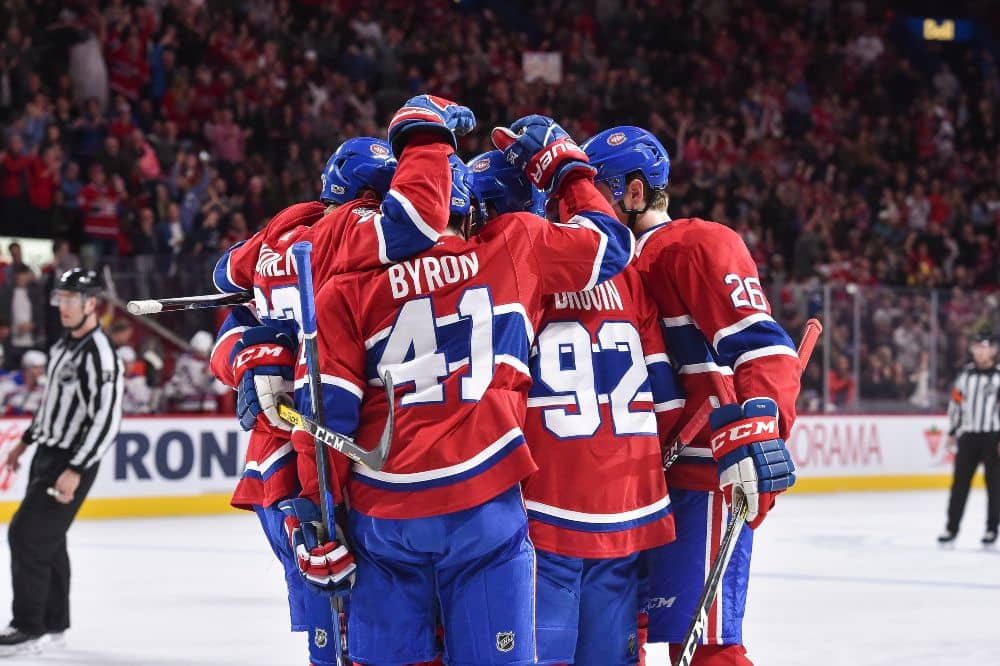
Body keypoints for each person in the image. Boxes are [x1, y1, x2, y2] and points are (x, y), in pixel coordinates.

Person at [299, 113, 632, 664]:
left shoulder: (347, 282)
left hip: (384, 513)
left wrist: (316, 517)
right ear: (470, 208)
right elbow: (609, 245)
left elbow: (325, 415)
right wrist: (567, 169)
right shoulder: (513, 246)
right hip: (484, 506)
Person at [209, 96, 476, 666]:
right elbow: (410, 224)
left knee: (327, 628)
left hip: (274, 461)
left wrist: (250, 354)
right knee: (367, 626)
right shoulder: (352, 230)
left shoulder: (282, 231)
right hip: (327, 451)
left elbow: (225, 280)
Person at [584, 126, 799, 665]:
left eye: (598, 193)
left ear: (635, 192)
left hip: (700, 476)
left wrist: (757, 432)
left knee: (708, 647)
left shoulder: (696, 243)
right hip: (629, 480)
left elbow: (763, 346)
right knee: (617, 640)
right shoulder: (597, 264)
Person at [468, 148, 684, 665]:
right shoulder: (627, 276)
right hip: (631, 506)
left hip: (549, 507)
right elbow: (667, 397)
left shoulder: (509, 272)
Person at [0, 268, 123, 655]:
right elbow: (52, 403)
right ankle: (53, 624)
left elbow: (107, 421)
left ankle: (28, 626)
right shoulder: (63, 345)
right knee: (47, 540)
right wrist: (26, 442)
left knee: (26, 535)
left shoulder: (100, 355)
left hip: (72, 459)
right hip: (47, 453)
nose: (63, 306)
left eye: (71, 299)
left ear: (91, 304)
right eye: (60, 298)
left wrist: (76, 469)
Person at [939, 333, 1000, 546]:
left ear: (992, 350)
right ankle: (951, 528)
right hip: (968, 435)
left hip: (993, 436)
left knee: (994, 485)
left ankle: (992, 529)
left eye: (984, 347)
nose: (980, 351)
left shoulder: (999, 377)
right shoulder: (965, 376)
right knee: (959, 485)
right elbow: (956, 403)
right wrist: (953, 431)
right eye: (976, 347)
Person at [0, 350, 47, 415]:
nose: (40, 371)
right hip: (7, 421)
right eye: (36, 368)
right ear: (27, 367)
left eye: (42, 367)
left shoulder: (44, 384)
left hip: (33, 421)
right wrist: (8, 410)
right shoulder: (10, 382)